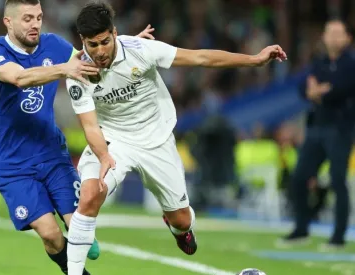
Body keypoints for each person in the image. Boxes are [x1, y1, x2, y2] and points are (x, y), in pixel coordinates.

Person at [64, 2, 287, 274]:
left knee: (182, 219)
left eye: (104, 42)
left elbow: (201, 58)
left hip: (156, 140)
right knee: (89, 195)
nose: (99, 51)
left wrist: (253, 58)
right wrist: (103, 158)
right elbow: (89, 127)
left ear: (114, 32)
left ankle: (176, 226)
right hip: (113, 141)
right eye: (91, 45)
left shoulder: (141, 50)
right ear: (81, 41)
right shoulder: (76, 71)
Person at [0, 0, 154, 274]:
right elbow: (19, 78)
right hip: (12, 164)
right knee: (49, 234)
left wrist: (125, 49)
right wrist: (63, 69)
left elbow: (92, 59)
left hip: (51, 154)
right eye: (26, 18)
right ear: (8, 22)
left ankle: (81, 237)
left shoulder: (54, 45)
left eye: (38, 17)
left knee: (79, 225)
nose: (35, 23)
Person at [280, 19, 355, 249]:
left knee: (337, 180)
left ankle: (338, 236)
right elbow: (303, 86)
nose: (332, 37)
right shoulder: (319, 62)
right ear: (323, 37)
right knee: (299, 177)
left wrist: (320, 90)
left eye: (337, 33)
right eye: (329, 32)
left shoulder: (350, 63)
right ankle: (301, 228)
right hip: (316, 127)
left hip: (340, 129)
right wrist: (316, 90)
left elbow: (343, 87)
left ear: (347, 38)